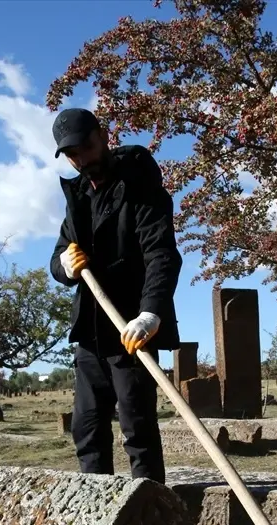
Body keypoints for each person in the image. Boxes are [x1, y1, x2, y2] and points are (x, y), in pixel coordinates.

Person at [49, 107, 182, 485]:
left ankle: (150, 517)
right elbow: (58, 260)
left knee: (137, 428)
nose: (81, 158)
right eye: (71, 154)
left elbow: (162, 253)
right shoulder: (77, 197)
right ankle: (100, 513)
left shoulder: (139, 185)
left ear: (102, 136)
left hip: (131, 330)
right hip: (90, 332)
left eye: (85, 147)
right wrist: (65, 266)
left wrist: (150, 313)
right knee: (87, 428)